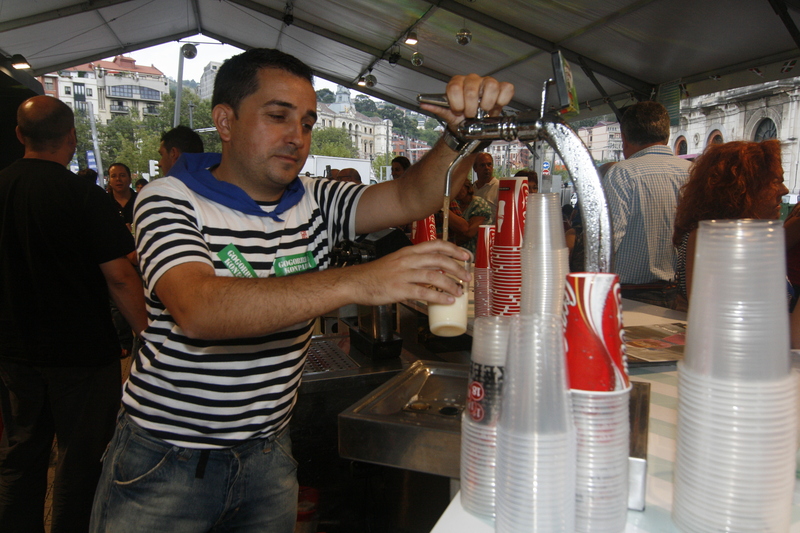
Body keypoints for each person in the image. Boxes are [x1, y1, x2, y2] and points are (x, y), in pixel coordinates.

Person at [89, 48, 513, 532]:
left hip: (267, 457)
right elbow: (200, 309)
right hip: (167, 459)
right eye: (278, 117)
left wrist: (460, 135)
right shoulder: (169, 198)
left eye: (308, 123)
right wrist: (361, 279)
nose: (297, 137)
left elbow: (411, 195)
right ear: (225, 121)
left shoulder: (316, 199)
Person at [0, 95, 147, 533]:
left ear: (19, 135)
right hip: (81, 351)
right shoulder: (84, 196)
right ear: (71, 136)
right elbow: (119, 277)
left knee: (20, 454)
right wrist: (147, 331)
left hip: (13, 350)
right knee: (80, 459)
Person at [673, 140, 788, 302]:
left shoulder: (752, 236)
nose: (784, 190)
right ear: (742, 189)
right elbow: (712, 307)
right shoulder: (711, 238)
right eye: (775, 182)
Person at [602, 101, 690, 309]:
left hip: (630, 297)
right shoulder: (693, 172)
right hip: (682, 296)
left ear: (624, 138)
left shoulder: (622, 173)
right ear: (667, 135)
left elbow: (607, 243)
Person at [447, 180, 493, 254]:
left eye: (459, 187)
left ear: (468, 187)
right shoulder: (455, 204)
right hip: (459, 250)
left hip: (476, 249)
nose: (456, 191)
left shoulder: (478, 203)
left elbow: (469, 233)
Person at [107, 162, 136, 229]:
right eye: (113, 176)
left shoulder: (140, 200)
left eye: (122, 175)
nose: (118, 179)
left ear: (130, 179)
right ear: (109, 181)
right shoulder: (103, 202)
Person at [472, 152, 498, 217]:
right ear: (475, 168)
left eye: (489, 165)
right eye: (482, 165)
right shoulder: (471, 189)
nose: (486, 168)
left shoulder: (499, 187)